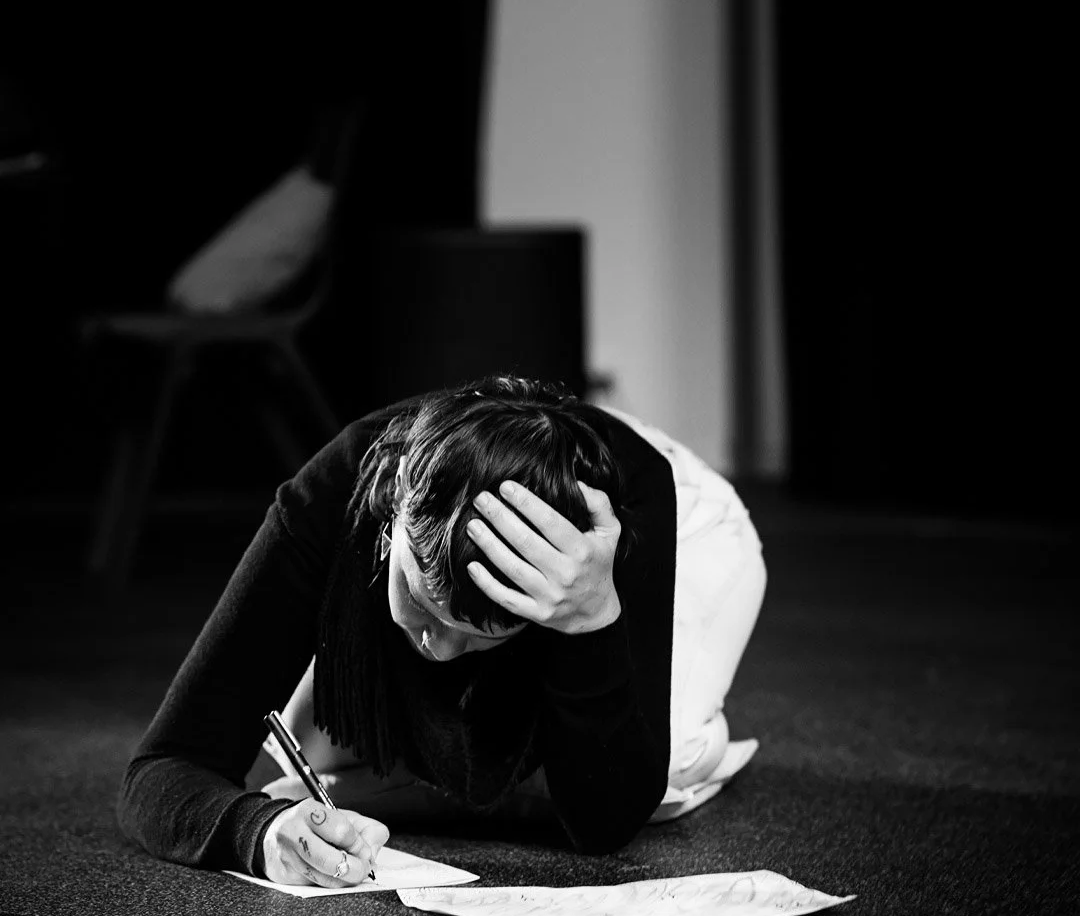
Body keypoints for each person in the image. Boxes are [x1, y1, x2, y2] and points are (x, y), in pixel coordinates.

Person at [117, 376, 766, 886]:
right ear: (395, 504)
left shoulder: (623, 516)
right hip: (482, 465)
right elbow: (164, 767)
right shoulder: (329, 494)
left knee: (664, 769)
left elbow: (606, 823)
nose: (441, 648)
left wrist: (592, 620)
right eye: (421, 606)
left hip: (686, 514)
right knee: (304, 758)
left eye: (482, 634)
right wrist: (258, 832)